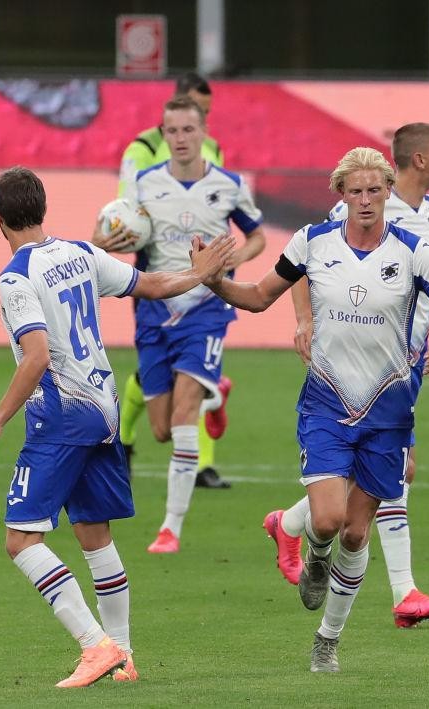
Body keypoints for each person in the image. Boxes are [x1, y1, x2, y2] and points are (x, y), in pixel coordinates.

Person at [205, 147, 429, 672]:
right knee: (329, 520)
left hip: (388, 412)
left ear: (386, 192)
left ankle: (327, 641)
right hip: (327, 402)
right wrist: (215, 281)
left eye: (375, 190)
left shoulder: (414, 252)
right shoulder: (312, 242)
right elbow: (261, 296)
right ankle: (313, 553)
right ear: (340, 196)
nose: (365, 200)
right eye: (355, 191)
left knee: (358, 532)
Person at [264, 123, 429, 628]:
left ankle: (292, 522)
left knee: (387, 472)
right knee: (394, 474)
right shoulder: (355, 211)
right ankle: (403, 589)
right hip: (361, 359)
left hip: (410, 359)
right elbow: (304, 263)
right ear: (420, 161)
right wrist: (304, 319)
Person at [0, 166, 228, 687]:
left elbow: (36, 355)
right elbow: (150, 284)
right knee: (94, 536)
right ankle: (125, 657)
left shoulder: (15, 278)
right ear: (42, 206)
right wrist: (200, 275)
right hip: (105, 407)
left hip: (63, 414)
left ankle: (96, 647)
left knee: (21, 541)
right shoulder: (80, 255)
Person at [134, 94, 266, 553]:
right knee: (162, 429)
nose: (180, 139)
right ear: (163, 134)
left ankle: (170, 527)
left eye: (189, 130)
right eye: (172, 131)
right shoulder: (144, 183)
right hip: (154, 309)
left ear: (204, 132)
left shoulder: (228, 185)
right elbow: (127, 234)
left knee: (183, 416)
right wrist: (105, 238)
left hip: (206, 309)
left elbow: (258, 237)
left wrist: (229, 261)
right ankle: (216, 394)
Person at [95, 72, 232, 490]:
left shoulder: (214, 151)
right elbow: (126, 211)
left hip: (202, 282)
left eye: (204, 117)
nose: (197, 127)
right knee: (164, 399)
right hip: (155, 274)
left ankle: (203, 462)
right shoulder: (141, 150)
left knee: (190, 386)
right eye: (193, 114)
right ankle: (144, 429)